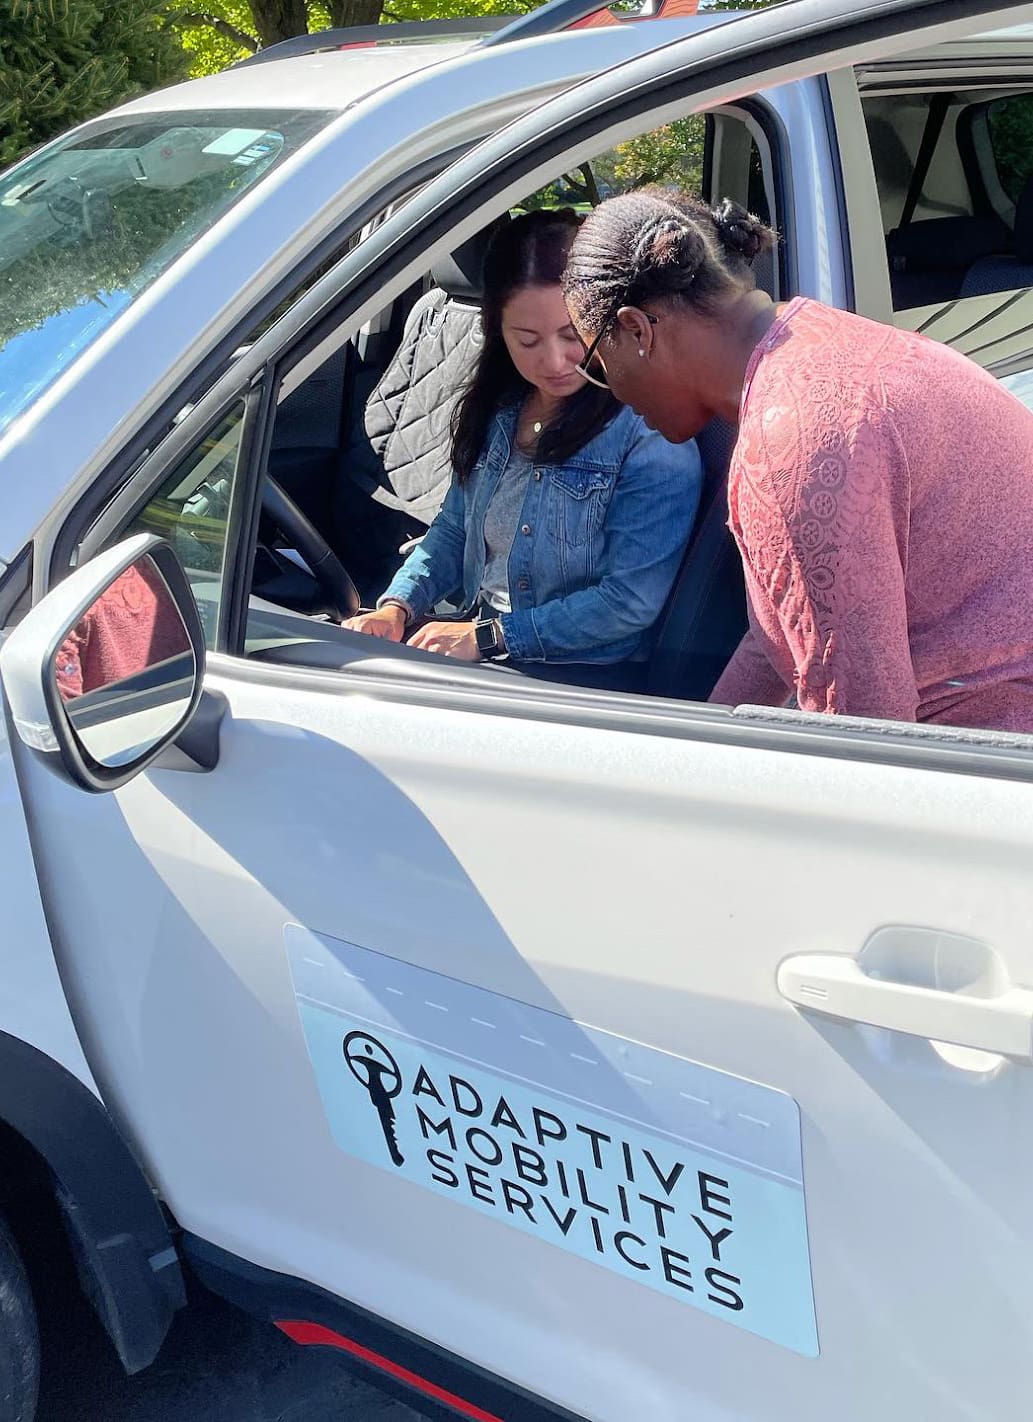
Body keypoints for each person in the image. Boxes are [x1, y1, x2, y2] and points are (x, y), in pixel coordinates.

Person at [562, 187, 1033, 730]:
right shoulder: (817, 340)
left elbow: (863, 733)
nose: (609, 390)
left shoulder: (794, 443)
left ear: (637, 330)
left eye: (596, 362)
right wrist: (705, 745)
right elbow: (784, 633)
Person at [344, 208, 702, 691]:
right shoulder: (500, 409)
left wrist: (489, 639)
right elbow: (454, 529)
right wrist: (396, 606)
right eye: (527, 340)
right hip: (485, 642)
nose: (553, 362)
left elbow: (629, 601)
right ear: (498, 332)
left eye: (572, 335)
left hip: (577, 676)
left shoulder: (648, 430)